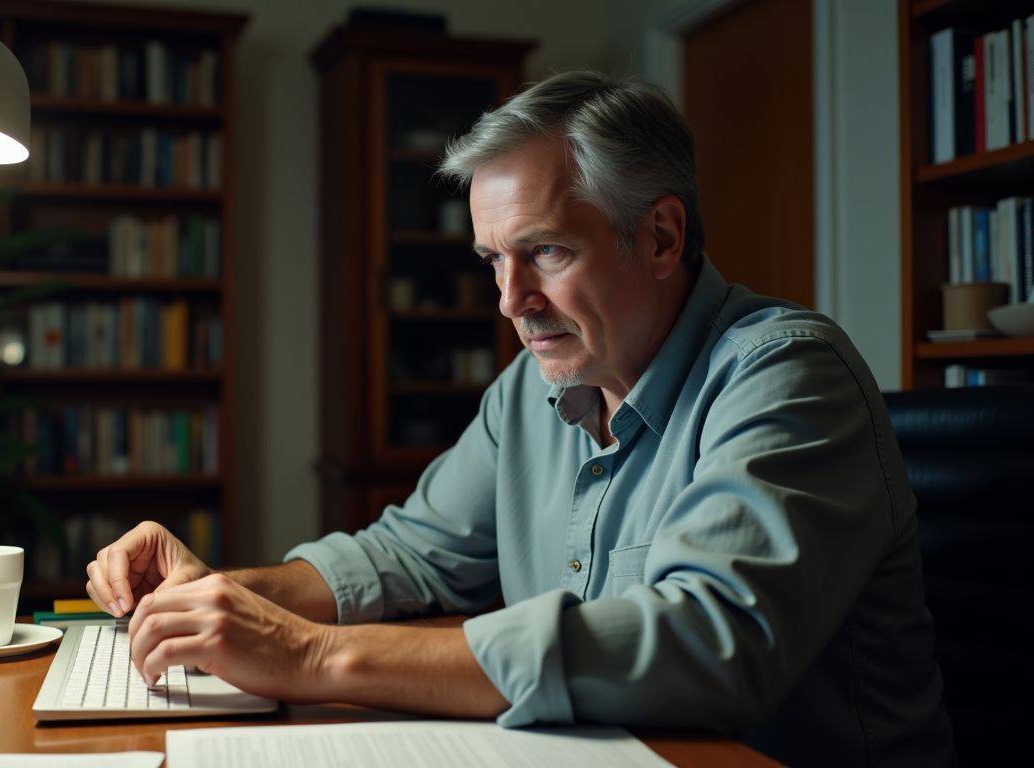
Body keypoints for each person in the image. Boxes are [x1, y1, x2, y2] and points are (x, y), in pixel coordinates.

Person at [83, 71, 955, 766]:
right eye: (493, 259)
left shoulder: (786, 375)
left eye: (545, 251)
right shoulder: (530, 389)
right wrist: (222, 599)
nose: (511, 301)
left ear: (659, 238)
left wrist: (310, 657)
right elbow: (406, 555)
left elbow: (703, 645)